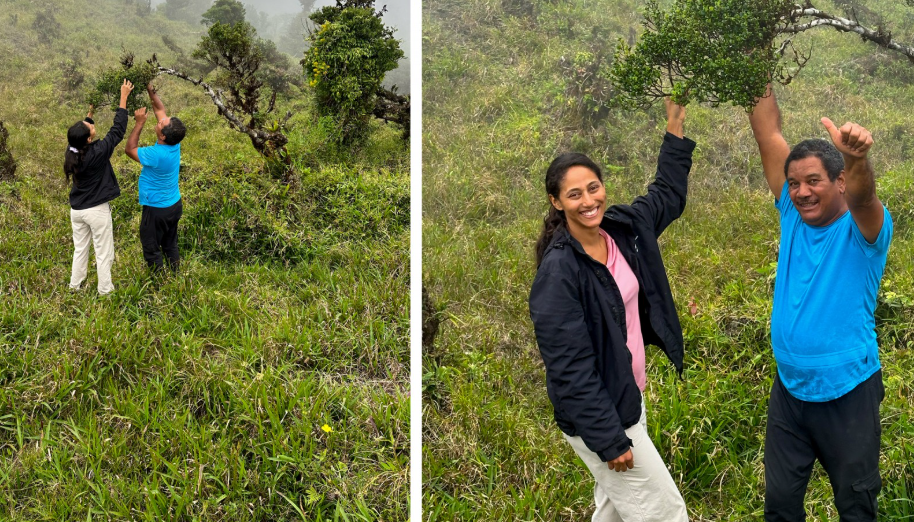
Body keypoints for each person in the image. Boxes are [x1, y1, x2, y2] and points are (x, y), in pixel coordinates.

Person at [528, 99, 693, 522]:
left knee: (616, 512)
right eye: (574, 194)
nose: (588, 200)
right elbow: (568, 368)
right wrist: (609, 437)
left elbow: (666, 196)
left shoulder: (621, 230)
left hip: (627, 393)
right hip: (604, 415)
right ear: (556, 201)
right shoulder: (560, 272)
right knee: (666, 513)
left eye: (594, 188)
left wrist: (674, 126)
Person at [747, 85, 891, 521]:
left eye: (813, 181)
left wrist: (856, 158)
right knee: (782, 505)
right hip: (790, 393)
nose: (801, 192)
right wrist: (755, 48)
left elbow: (864, 197)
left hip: (848, 393)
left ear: (839, 182)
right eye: (794, 184)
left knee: (855, 503)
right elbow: (768, 134)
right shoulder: (791, 213)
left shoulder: (863, 231)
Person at [65, 79, 133, 295]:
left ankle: (75, 287)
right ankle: (105, 290)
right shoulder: (98, 153)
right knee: (104, 251)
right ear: (89, 137)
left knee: (80, 249)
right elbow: (117, 131)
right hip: (96, 210)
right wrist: (123, 97)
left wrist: (90, 114)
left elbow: (80, 134)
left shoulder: (72, 152)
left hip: (77, 210)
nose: (92, 126)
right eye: (90, 127)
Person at [125, 82, 187, 273]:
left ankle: (159, 282)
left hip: (157, 209)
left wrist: (139, 123)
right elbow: (159, 108)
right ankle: (175, 274)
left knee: (151, 247)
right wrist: (149, 88)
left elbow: (130, 150)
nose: (160, 120)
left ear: (162, 136)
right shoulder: (173, 142)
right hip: (174, 204)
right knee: (170, 243)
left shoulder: (156, 154)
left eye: (161, 123)